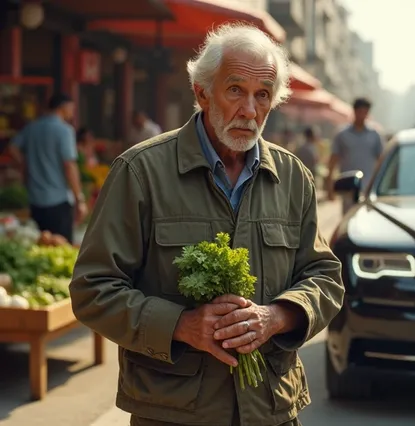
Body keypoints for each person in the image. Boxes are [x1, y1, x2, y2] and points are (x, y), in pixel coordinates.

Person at [69, 23, 344, 426]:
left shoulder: (293, 178)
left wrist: (277, 317)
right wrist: (181, 326)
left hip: (271, 410)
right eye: (235, 90)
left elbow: (324, 276)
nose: (249, 110)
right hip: (172, 412)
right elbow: (92, 290)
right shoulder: (141, 172)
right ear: (201, 92)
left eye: (262, 95)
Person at [7, 93, 87, 242]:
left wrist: (25, 163)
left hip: (35, 199)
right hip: (58, 200)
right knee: (61, 249)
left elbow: (12, 148)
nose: (72, 113)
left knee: (40, 245)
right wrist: (79, 198)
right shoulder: (64, 131)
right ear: (64, 107)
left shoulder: (32, 127)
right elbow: (70, 166)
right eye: (71, 108)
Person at [326, 97, 383, 213]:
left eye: (365, 112)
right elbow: (333, 161)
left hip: (368, 187)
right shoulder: (342, 135)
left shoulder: (375, 135)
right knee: (348, 220)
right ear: (354, 111)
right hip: (348, 187)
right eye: (360, 111)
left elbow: (381, 161)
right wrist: (329, 187)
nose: (362, 115)